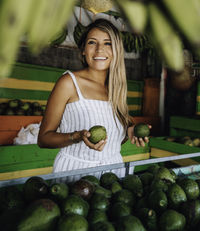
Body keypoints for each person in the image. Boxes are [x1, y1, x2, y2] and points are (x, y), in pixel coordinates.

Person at [37, 18, 149, 180]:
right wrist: (75, 137)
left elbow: (111, 142)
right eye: (92, 42)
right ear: (83, 50)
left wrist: (129, 131)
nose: (99, 50)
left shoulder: (116, 88)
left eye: (107, 43)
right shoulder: (68, 83)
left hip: (113, 174)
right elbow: (44, 138)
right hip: (75, 174)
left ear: (116, 50)